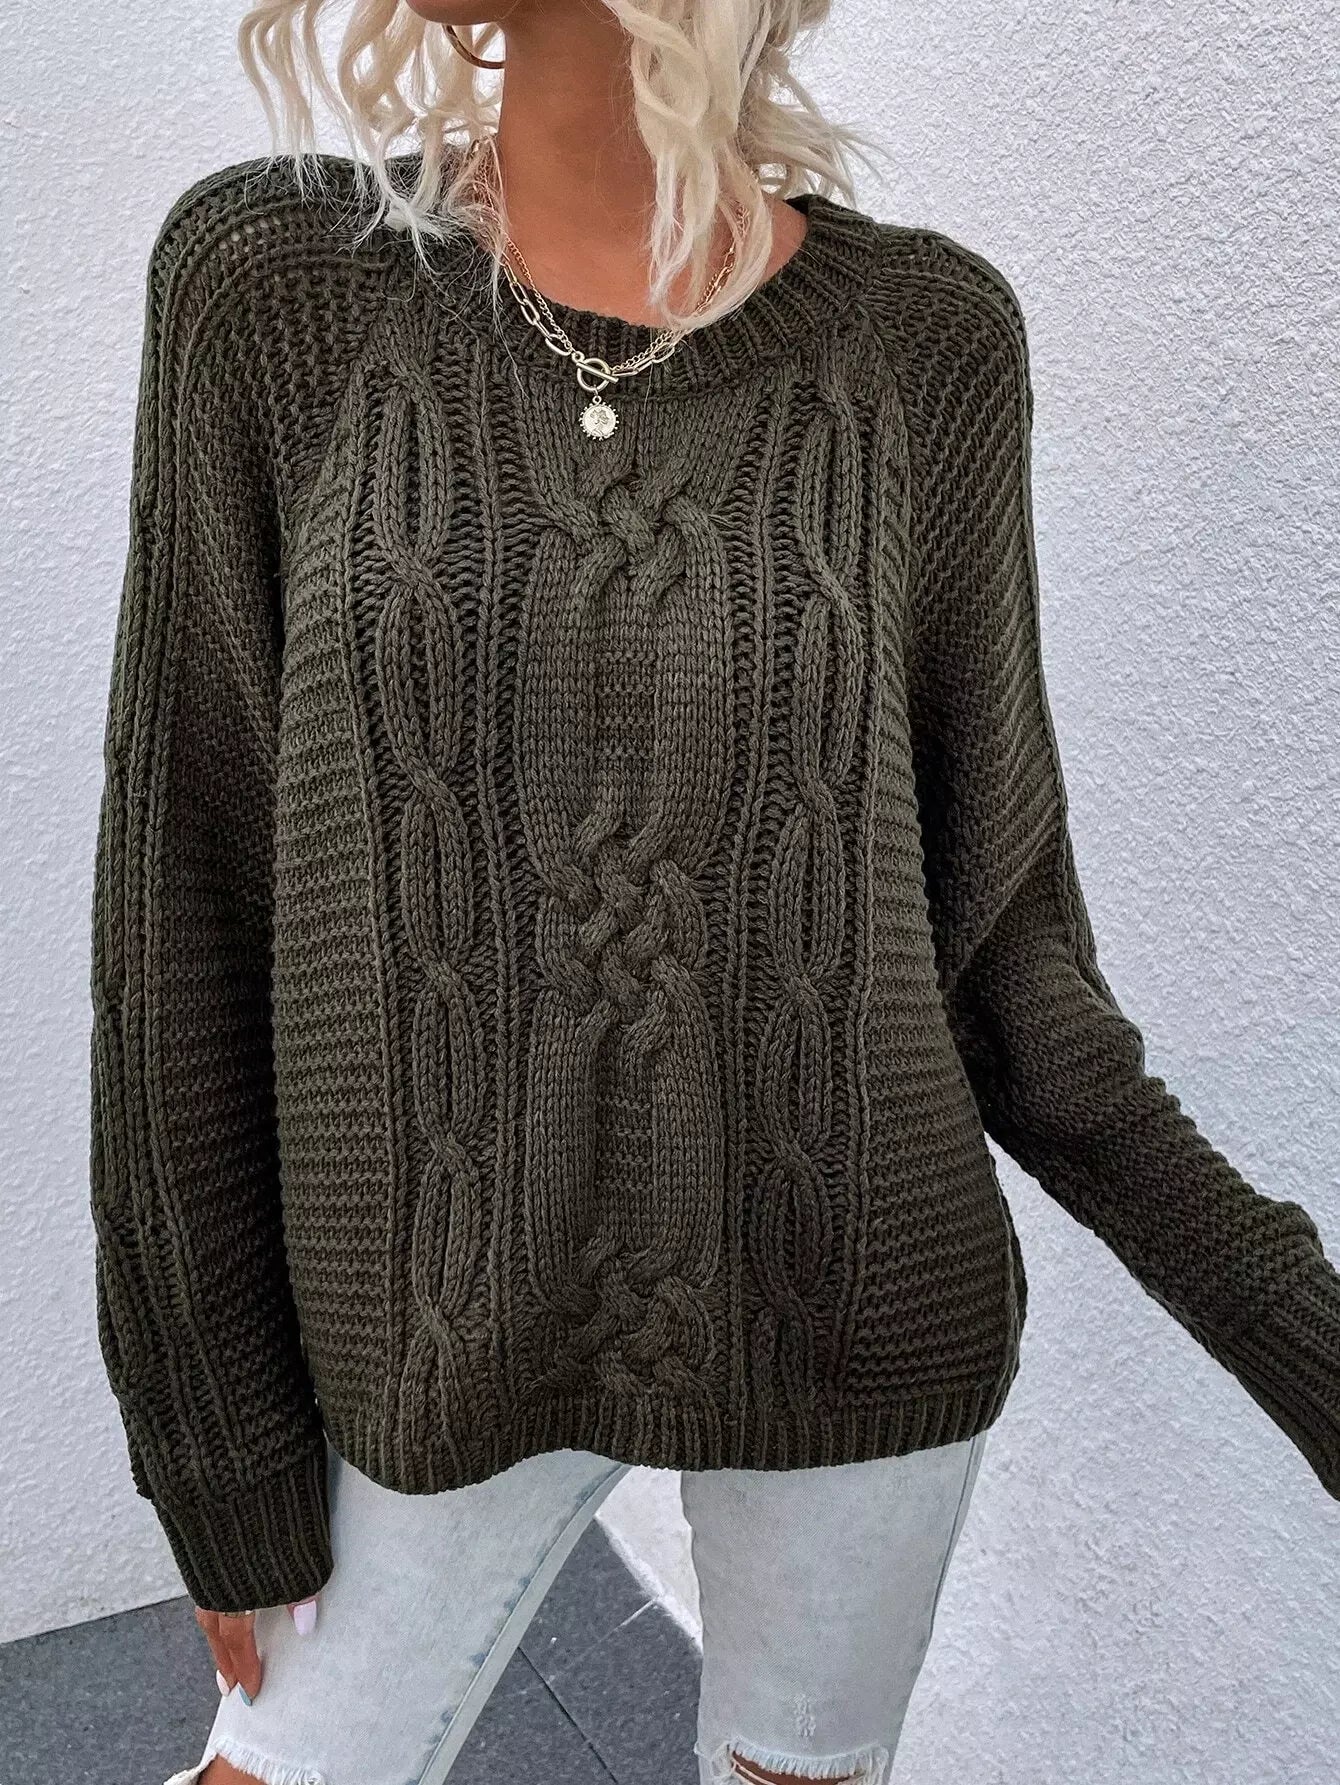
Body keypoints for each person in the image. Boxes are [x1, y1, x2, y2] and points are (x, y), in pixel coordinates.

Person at [87, 5, 1340, 1784]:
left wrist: (1311, 1350)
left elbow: (1013, 975)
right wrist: (211, 1441)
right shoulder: (273, 288)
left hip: (856, 1306)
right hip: (427, 1328)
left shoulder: (932, 348)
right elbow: (182, 912)